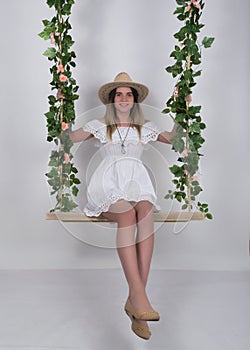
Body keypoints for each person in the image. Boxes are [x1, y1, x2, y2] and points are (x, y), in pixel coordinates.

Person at [69, 72, 177, 340]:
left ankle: (136, 305)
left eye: (129, 94)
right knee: (127, 215)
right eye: (119, 94)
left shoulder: (145, 127)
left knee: (146, 212)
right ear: (112, 99)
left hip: (136, 182)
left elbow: (174, 139)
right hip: (108, 183)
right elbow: (71, 138)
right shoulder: (100, 124)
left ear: (135, 100)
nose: (124, 98)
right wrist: (63, 105)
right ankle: (139, 298)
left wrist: (182, 108)